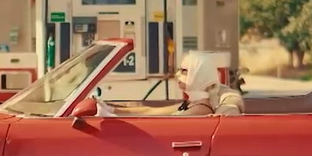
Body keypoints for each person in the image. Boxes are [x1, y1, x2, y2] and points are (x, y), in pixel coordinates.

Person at [95, 51, 244, 117]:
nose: (178, 75)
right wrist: (112, 109)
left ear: (200, 75)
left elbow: (165, 124)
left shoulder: (200, 109)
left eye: (185, 71)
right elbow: (149, 111)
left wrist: (112, 116)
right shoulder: (191, 104)